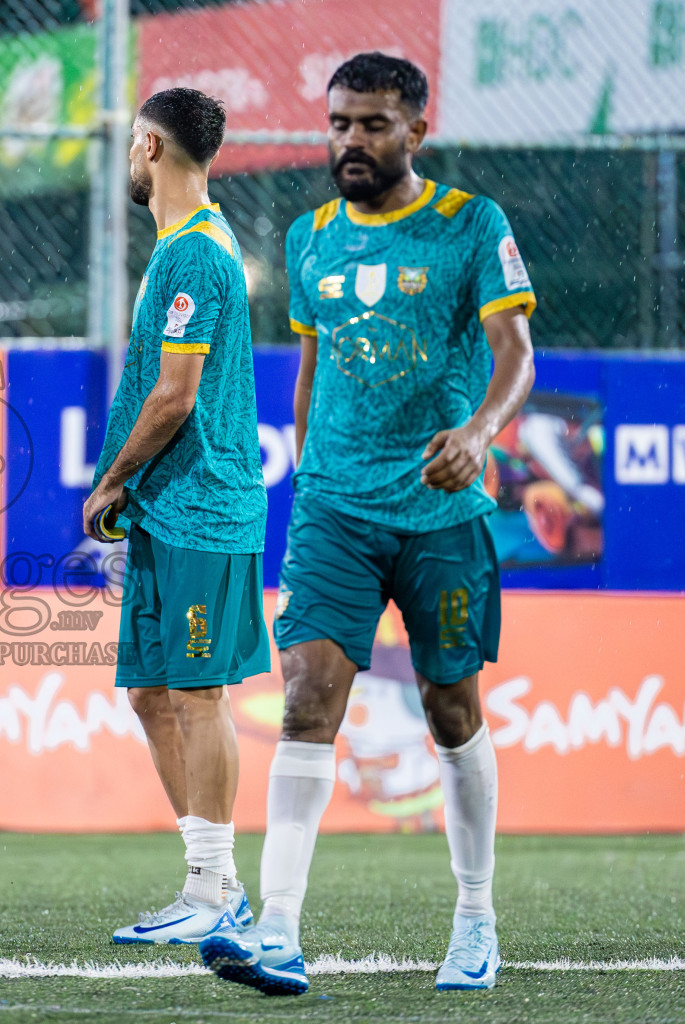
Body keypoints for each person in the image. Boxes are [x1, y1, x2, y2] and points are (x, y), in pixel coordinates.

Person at [198, 52, 535, 995]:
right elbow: (309, 371)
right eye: (340, 122)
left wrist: (478, 431)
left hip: (441, 511)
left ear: (414, 132)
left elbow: (516, 354)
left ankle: (474, 921)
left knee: (451, 710)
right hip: (334, 512)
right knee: (306, 700)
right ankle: (276, 930)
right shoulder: (308, 238)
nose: (351, 140)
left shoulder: (471, 225)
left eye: (373, 124)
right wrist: (306, 478)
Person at [82, 87, 269, 946]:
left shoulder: (193, 253)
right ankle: (214, 881)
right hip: (170, 508)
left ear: (150, 146)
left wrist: (113, 477)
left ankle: (211, 887)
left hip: (200, 506)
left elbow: (175, 395)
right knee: (154, 695)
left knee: (195, 694)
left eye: (129, 143)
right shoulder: (182, 248)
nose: (126, 158)